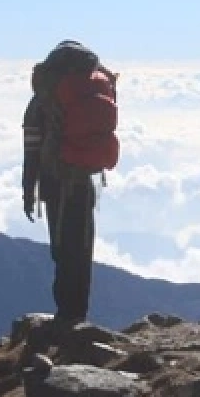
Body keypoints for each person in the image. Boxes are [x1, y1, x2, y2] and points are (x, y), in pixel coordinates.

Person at [22, 41, 119, 326]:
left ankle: (66, 314)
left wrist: (28, 190)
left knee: (62, 247)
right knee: (82, 246)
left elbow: (31, 149)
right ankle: (78, 313)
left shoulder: (43, 101)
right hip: (85, 179)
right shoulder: (92, 90)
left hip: (54, 180)